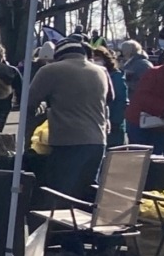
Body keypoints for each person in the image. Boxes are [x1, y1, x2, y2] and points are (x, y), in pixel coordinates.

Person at [26, 37, 113, 200]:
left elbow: (29, 103)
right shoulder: (101, 71)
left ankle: (58, 225)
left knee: (61, 192)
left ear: (58, 55)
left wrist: (45, 108)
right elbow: (110, 98)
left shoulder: (50, 71)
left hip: (67, 140)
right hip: (97, 139)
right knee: (88, 191)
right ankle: (86, 224)